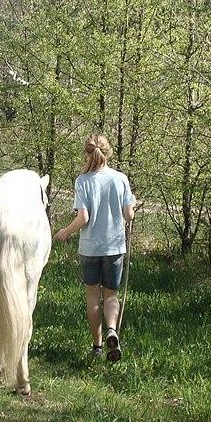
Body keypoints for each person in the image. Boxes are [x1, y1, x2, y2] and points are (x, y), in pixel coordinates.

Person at [55, 134, 135, 361]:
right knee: (111, 296)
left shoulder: (83, 181)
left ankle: (97, 347)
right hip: (114, 248)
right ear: (108, 152)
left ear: (87, 154)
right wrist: (134, 206)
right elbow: (129, 216)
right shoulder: (120, 179)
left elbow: (84, 217)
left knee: (93, 297)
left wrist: (65, 232)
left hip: (90, 249)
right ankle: (112, 330)